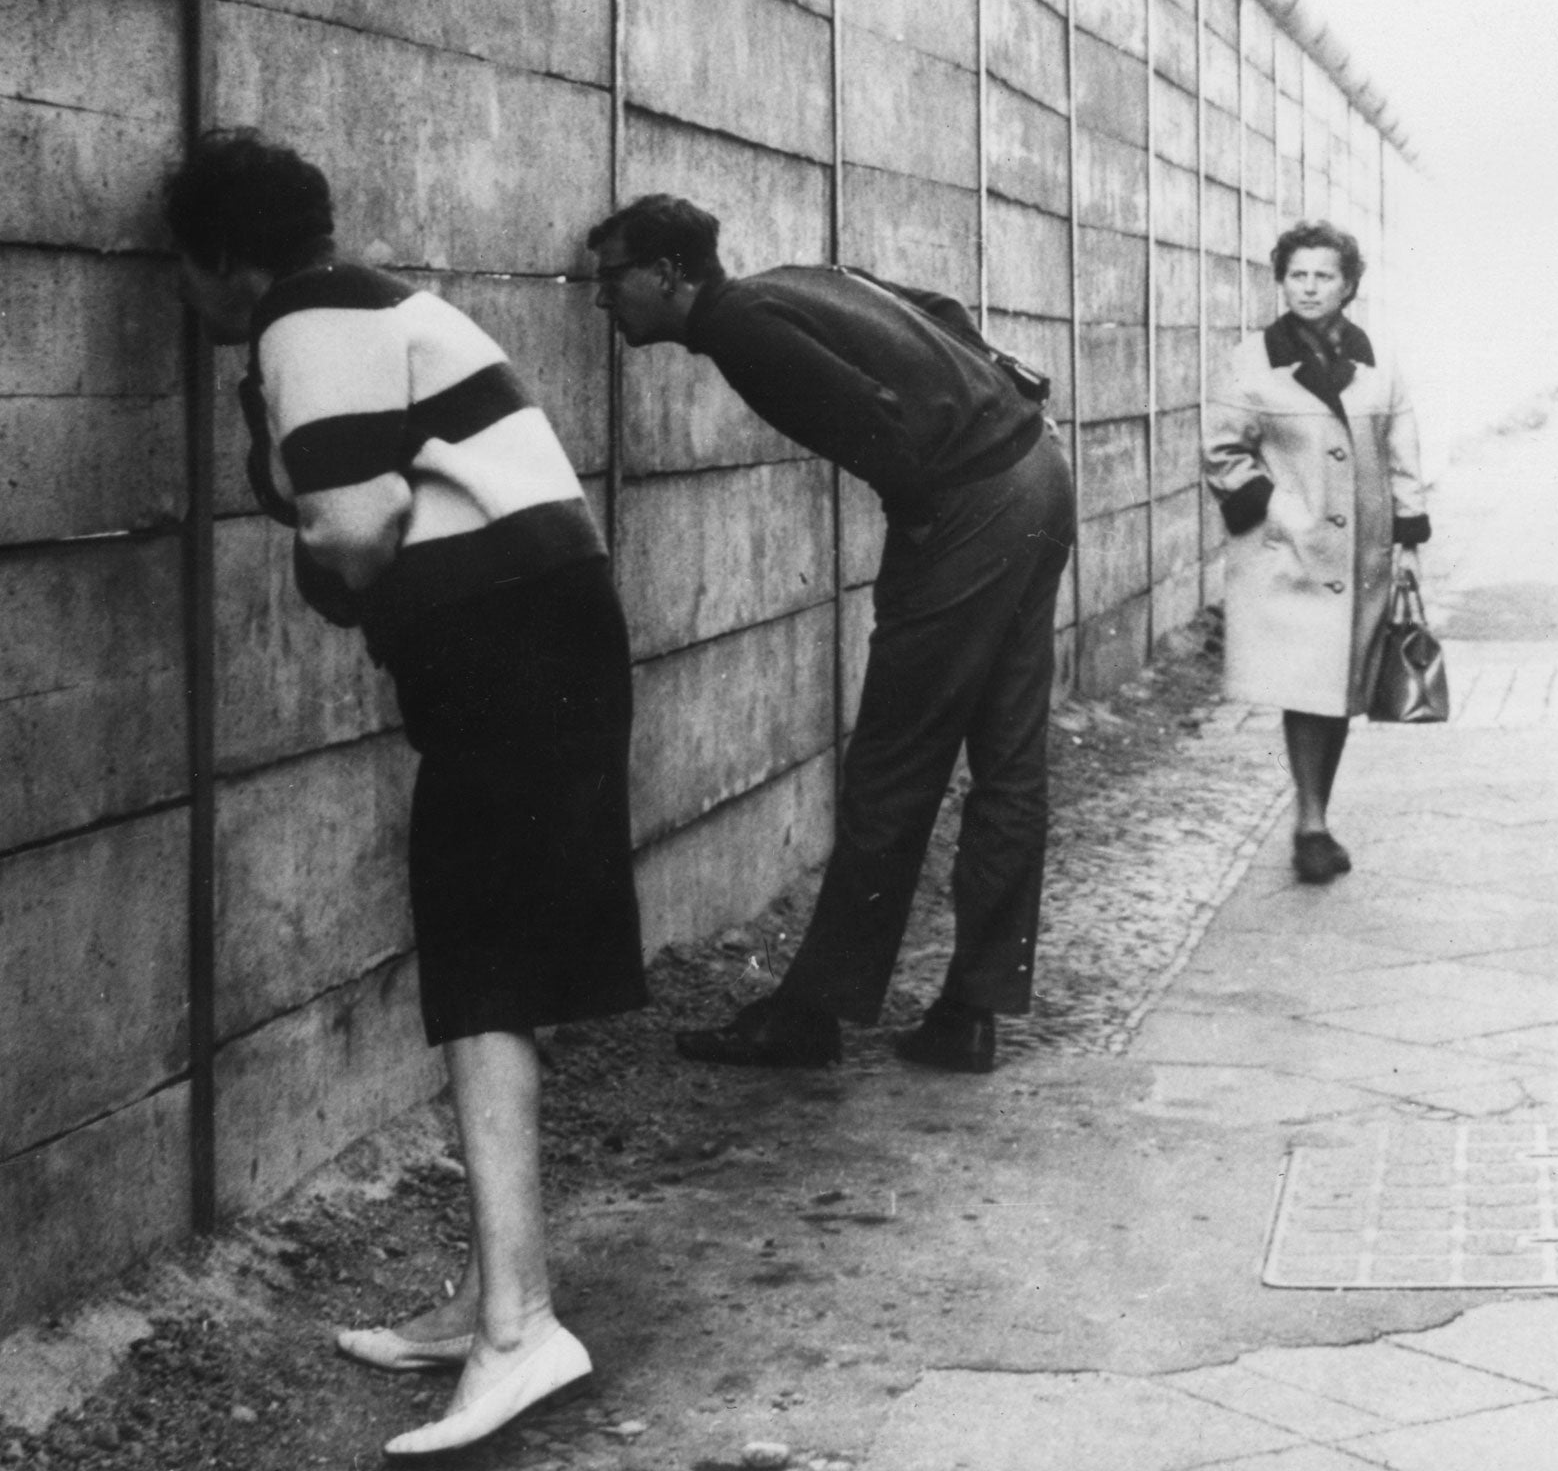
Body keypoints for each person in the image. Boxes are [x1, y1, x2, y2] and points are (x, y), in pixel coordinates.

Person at [165, 131, 646, 1458]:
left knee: (481, 973)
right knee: (482, 966)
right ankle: (489, 1296)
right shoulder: (376, 302)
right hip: (537, 642)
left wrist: (330, 568)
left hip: (508, 655)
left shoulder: (303, 323)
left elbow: (357, 529)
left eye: (186, 275)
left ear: (219, 263)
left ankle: (516, 1330)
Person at [588, 194, 1075, 1075]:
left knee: (894, 762)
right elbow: (944, 314)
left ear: (666, 274)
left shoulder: (739, 328)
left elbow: (874, 412)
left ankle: (810, 1015)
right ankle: (971, 1009)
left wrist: (920, 509)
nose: (600, 300)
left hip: (973, 504)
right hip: (1035, 466)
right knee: (1007, 755)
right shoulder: (796, 280)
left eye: (611, 278)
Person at [1204, 220, 1431, 884]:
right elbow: (1222, 451)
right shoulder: (1250, 361)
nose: (1308, 287)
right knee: (1305, 688)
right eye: (1296, 275)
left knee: (1337, 692)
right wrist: (1278, 514)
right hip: (1286, 556)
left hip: (1360, 558)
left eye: (1322, 276)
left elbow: (1402, 456)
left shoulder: (1379, 364)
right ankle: (1309, 822)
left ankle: (1315, 815)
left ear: (1347, 285)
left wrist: (1408, 541)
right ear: (1281, 282)